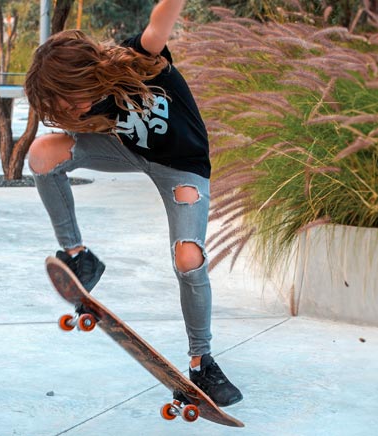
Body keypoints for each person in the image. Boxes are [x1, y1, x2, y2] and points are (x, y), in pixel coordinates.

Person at [25, 0, 243, 407]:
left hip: (182, 166)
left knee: (188, 256)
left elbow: (160, 23)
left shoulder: (138, 57)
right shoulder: (88, 103)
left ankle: (202, 363)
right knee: (42, 154)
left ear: (84, 74)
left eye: (71, 100)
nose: (73, 111)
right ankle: (79, 257)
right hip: (127, 153)